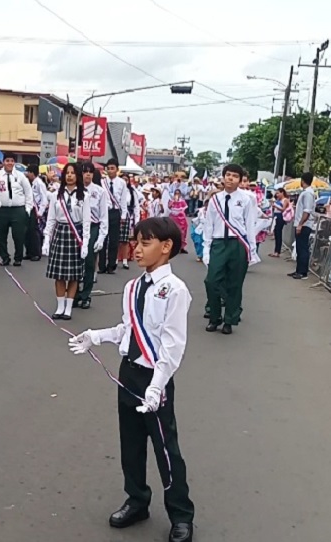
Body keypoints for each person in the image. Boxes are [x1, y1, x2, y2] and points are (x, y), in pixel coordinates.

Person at [69, 217, 195, 542]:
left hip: (156, 378)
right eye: (136, 242)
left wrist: (157, 386)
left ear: (166, 247)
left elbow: (172, 344)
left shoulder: (175, 290)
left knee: (166, 449)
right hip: (129, 374)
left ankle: (181, 514)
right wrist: (96, 336)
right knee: (131, 443)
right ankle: (137, 500)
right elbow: (129, 329)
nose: (137, 249)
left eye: (145, 243)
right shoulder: (132, 287)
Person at [203, 164, 256, 335]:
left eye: (234, 176)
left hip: (238, 244)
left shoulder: (246, 199)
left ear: (240, 180)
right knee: (211, 281)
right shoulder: (215, 199)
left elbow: (250, 225)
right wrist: (206, 247)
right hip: (218, 243)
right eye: (227, 175)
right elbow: (208, 225)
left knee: (235, 284)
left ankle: (229, 320)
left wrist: (251, 250)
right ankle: (214, 316)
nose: (230, 178)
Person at [42, 162, 90, 321]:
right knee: (60, 275)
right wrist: (46, 240)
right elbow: (51, 219)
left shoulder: (84, 195)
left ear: (77, 176)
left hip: (76, 233)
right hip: (60, 233)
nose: (69, 175)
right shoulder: (56, 194)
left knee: (74, 275)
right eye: (67, 173)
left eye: (73, 173)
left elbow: (86, 221)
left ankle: (69, 307)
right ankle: (60, 306)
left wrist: (85, 243)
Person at [75, 162, 108, 310]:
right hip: (77, 227)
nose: (87, 174)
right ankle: (74, 294)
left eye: (90, 172)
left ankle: (86, 295)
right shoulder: (75, 190)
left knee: (89, 260)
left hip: (93, 227)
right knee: (75, 261)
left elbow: (103, 217)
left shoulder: (99, 192)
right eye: (84, 171)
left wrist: (101, 237)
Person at [0, 154, 33, 266]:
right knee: (1, 235)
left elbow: (28, 192)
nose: (10, 163)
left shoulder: (20, 176)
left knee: (18, 235)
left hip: (18, 209)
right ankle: (5, 257)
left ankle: (18, 258)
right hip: (2, 209)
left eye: (12, 161)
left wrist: (28, 209)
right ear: (3, 162)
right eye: (7, 161)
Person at [99, 158, 127, 274]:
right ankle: (101, 266)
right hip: (103, 213)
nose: (110, 171)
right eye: (108, 169)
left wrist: (123, 215)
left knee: (114, 240)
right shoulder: (102, 182)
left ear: (117, 170)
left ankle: (111, 265)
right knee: (102, 239)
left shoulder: (122, 183)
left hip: (115, 212)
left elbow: (123, 200)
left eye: (112, 168)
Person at [289, 172, 316, 280]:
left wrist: (300, 224)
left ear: (302, 180)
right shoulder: (306, 193)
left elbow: (307, 210)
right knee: (299, 248)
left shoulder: (308, 193)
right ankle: (298, 270)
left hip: (305, 224)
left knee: (303, 248)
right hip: (302, 223)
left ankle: (302, 272)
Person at [25, 165, 49, 261]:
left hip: (37, 209)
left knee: (35, 233)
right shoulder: (30, 183)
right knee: (28, 232)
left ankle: (36, 253)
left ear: (32, 173)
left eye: (28, 172)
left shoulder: (39, 183)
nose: (27, 174)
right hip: (30, 208)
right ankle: (29, 252)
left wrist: (40, 212)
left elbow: (44, 199)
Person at [118, 176, 142, 269]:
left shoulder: (132, 192)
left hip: (128, 216)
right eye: (123, 179)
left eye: (126, 180)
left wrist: (136, 220)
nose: (124, 181)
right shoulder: (117, 190)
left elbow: (136, 206)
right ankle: (115, 260)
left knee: (125, 240)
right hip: (117, 215)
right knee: (115, 240)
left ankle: (125, 260)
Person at [269, 188, 292, 257]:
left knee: (278, 233)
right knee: (276, 233)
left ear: (282, 193)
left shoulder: (285, 200)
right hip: (276, 216)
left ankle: (277, 251)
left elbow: (283, 209)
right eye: (276, 193)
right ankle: (276, 250)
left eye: (278, 193)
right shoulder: (278, 200)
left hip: (280, 217)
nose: (277, 194)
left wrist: (275, 205)